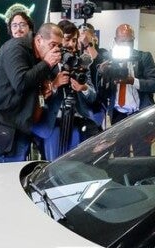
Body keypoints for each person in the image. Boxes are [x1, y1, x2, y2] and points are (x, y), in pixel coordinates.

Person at [0, 22, 63, 163]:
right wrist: (46, 64)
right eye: (53, 45)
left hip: (24, 123)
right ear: (39, 40)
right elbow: (21, 83)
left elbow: (32, 84)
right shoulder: (15, 48)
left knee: (20, 172)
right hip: (8, 125)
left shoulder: (38, 55)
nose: (57, 50)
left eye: (59, 46)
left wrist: (44, 88)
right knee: (8, 176)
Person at [31, 21, 99, 160]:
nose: (71, 44)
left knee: (74, 166)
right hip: (51, 124)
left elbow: (93, 96)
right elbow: (35, 96)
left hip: (78, 124)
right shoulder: (45, 64)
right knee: (51, 166)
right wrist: (54, 85)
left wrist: (84, 88)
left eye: (74, 40)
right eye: (67, 39)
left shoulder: (81, 63)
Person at [103, 24, 155, 125]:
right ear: (115, 40)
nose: (126, 45)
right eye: (122, 41)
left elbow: (154, 85)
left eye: (130, 41)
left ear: (134, 40)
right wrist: (102, 72)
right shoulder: (109, 58)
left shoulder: (143, 57)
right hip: (117, 114)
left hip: (141, 113)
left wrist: (132, 81)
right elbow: (101, 90)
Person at [79, 23, 110, 128]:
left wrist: (88, 45)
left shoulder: (102, 52)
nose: (83, 40)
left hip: (97, 104)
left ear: (94, 38)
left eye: (86, 37)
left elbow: (98, 63)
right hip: (80, 103)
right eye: (80, 37)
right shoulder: (76, 55)